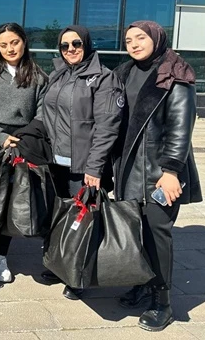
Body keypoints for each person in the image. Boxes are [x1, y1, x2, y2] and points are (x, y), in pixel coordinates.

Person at [114, 21, 202, 332]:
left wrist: (171, 171)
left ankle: (162, 302)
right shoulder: (124, 72)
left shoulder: (174, 70)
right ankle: (142, 283)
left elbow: (181, 126)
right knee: (135, 235)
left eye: (140, 38)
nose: (134, 43)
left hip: (158, 171)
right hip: (127, 169)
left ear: (156, 38)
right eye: (128, 39)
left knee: (157, 236)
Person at [37, 25, 123, 300]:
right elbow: (45, 111)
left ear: (87, 45)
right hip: (55, 160)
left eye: (76, 44)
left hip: (83, 164)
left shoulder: (103, 78)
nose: (71, 50)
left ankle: (79, 274)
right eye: (65, 46)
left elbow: (107, 127)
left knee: (84, 220)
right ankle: (60, 263)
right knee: (61, 216)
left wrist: (95, 168)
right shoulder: (58, 73)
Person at [0, 23, 48, 296]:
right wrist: (0, 135)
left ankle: (2, 256)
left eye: (14, 42)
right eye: (3, 44)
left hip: (22, 142)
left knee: (9, 206)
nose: (9, 49)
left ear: (24, 42)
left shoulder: (38, 76)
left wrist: (21, 138)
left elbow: (42, 113)